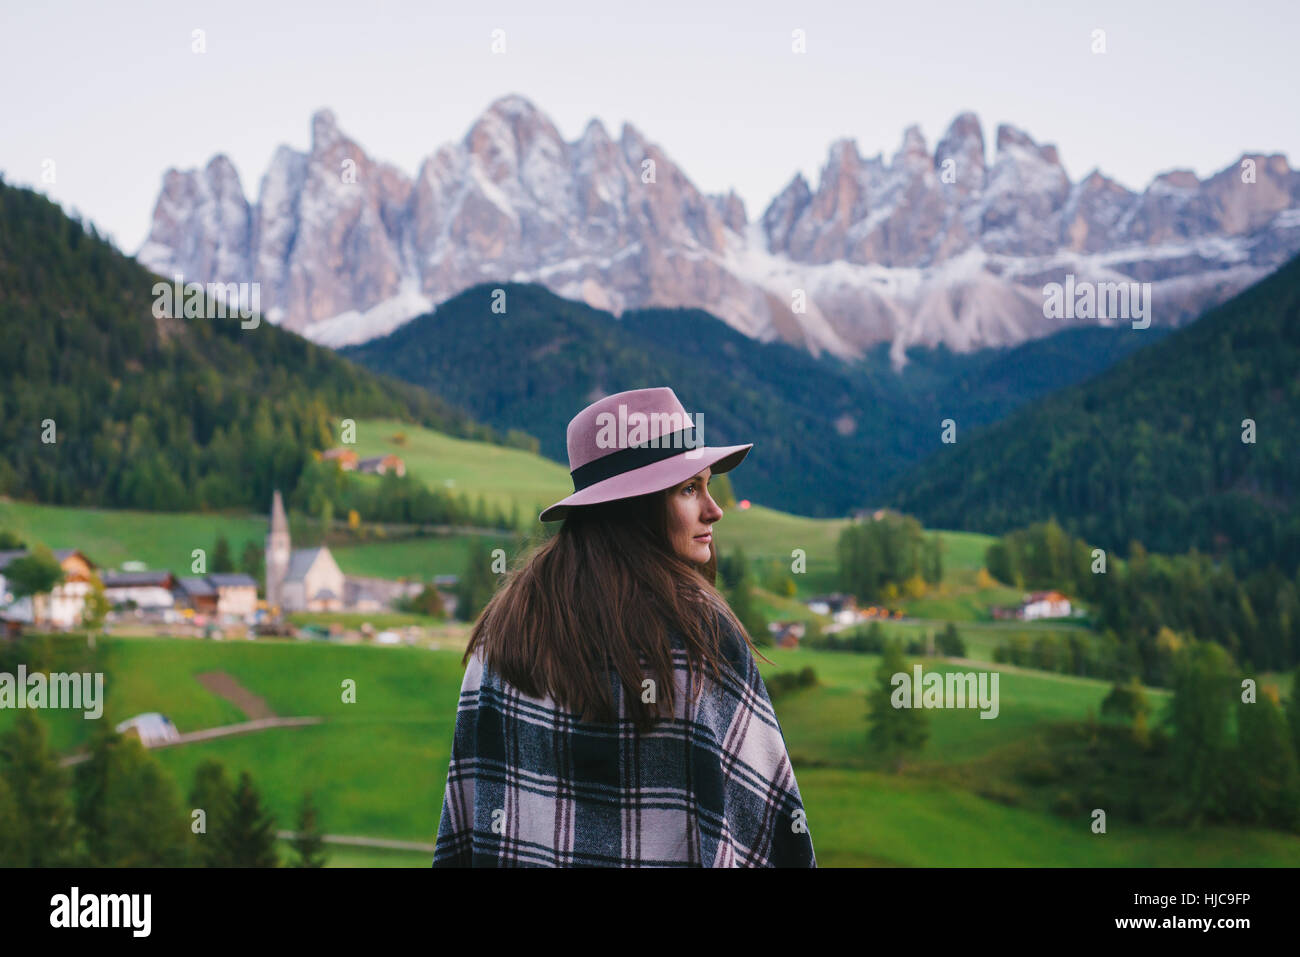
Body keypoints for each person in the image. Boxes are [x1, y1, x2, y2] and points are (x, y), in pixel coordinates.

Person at [432, 387, 816, 867]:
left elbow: (463, 830)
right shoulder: (699, 636)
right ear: (636, 504)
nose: (713, 510)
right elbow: (772, 835)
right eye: (689, 489)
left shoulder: (503, 632)